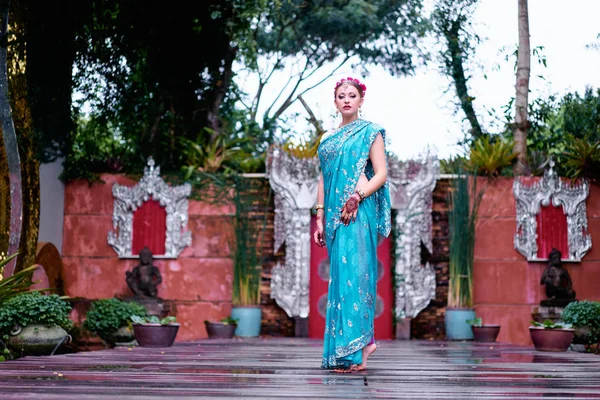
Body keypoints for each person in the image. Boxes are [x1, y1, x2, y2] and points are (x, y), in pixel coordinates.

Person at [314, 76, 391, 373]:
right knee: (342, 279)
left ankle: (360, 350)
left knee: (357, 277)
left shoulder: (370, 132)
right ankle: (353, 349)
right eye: (341, 96)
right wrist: (320, 217)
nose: (347, 99)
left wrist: (357, 197)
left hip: (357, 211)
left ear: (361, 101)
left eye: (352, 95)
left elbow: (381, 173)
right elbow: (324, 178)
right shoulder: (326, 138)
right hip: (333, 216)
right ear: (335, 102)